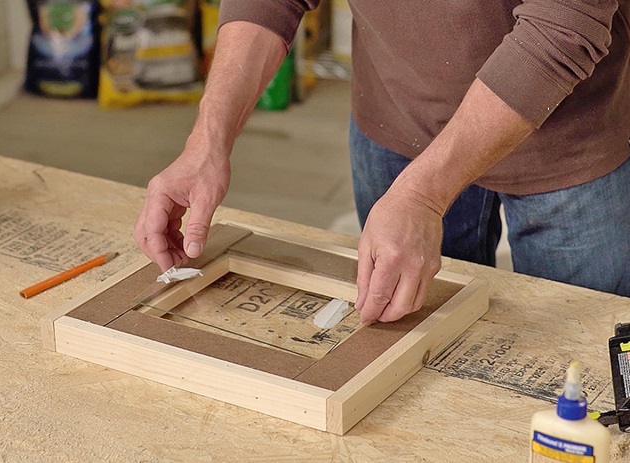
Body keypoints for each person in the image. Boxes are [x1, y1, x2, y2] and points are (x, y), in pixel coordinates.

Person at [134, 1, 630, 325]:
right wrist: (207, 140)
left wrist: (422, 194)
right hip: (397, 118)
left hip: (571, 141)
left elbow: (561, 28)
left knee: (576, 376)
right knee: (405, 349)